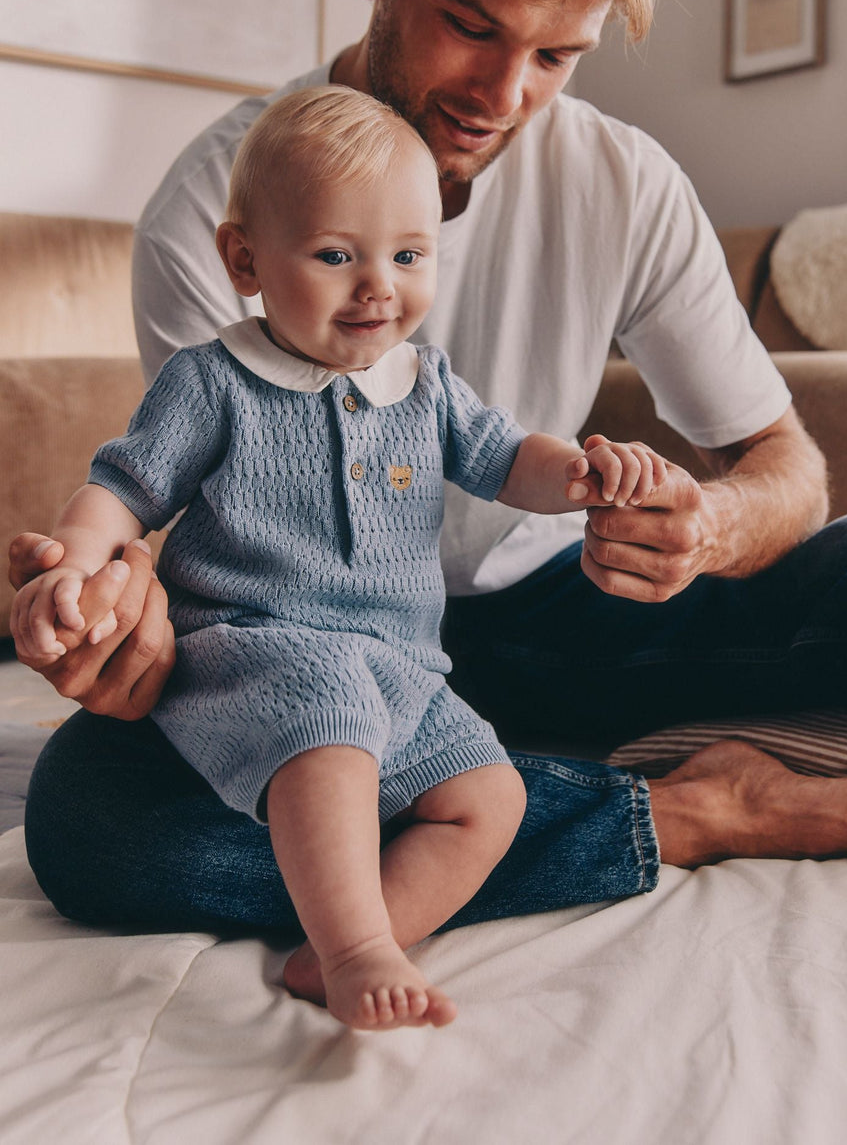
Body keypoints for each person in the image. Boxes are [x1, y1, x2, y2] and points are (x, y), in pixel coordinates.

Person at [14, 0, 847, 941]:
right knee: (94, 822)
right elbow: (170, 524)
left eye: (555, 56)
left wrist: (709, 528)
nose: (501, 96)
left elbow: (778, 460)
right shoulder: (216, 209)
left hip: (559, 616)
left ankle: (532, 807)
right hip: (315, 659)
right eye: (472, 25)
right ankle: (681, 814)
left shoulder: (621, 180)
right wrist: (122, 633)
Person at [10, 84, 668, 1029]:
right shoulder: (215, 380)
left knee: (492, 795)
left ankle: (362, 940)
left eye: (408, 255)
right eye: (335, 256)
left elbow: (507, 455)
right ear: (245, 259)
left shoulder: (426, 382)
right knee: (327, 717)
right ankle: (354, 948)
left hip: (402, 668)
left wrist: (585, 473)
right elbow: (124, 488)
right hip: (250, 648)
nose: (379, 287)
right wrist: (73, 564)